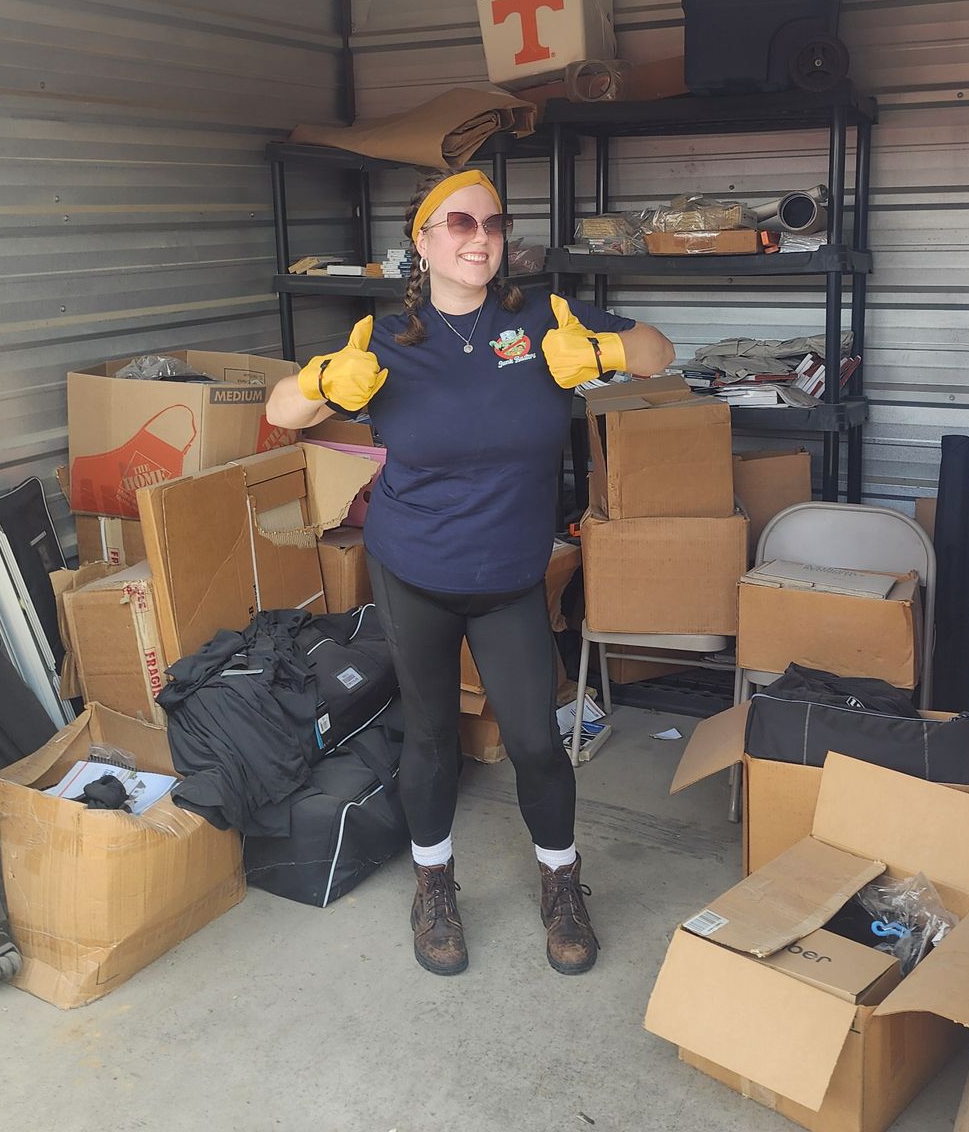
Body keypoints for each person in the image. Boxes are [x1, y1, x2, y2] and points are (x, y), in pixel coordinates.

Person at [266, 168, 675, 977]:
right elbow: (281, 411)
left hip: (508, 574)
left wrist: (607, 350)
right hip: (412, 565)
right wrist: (320, 385)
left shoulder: (546, 317)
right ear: (422, 242)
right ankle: (434, 882)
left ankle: (562, 880)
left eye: (491, 223)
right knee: (430, 735)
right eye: (456, 223)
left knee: (534, 738)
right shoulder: (381, 339)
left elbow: (662, 355)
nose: (478, 236)